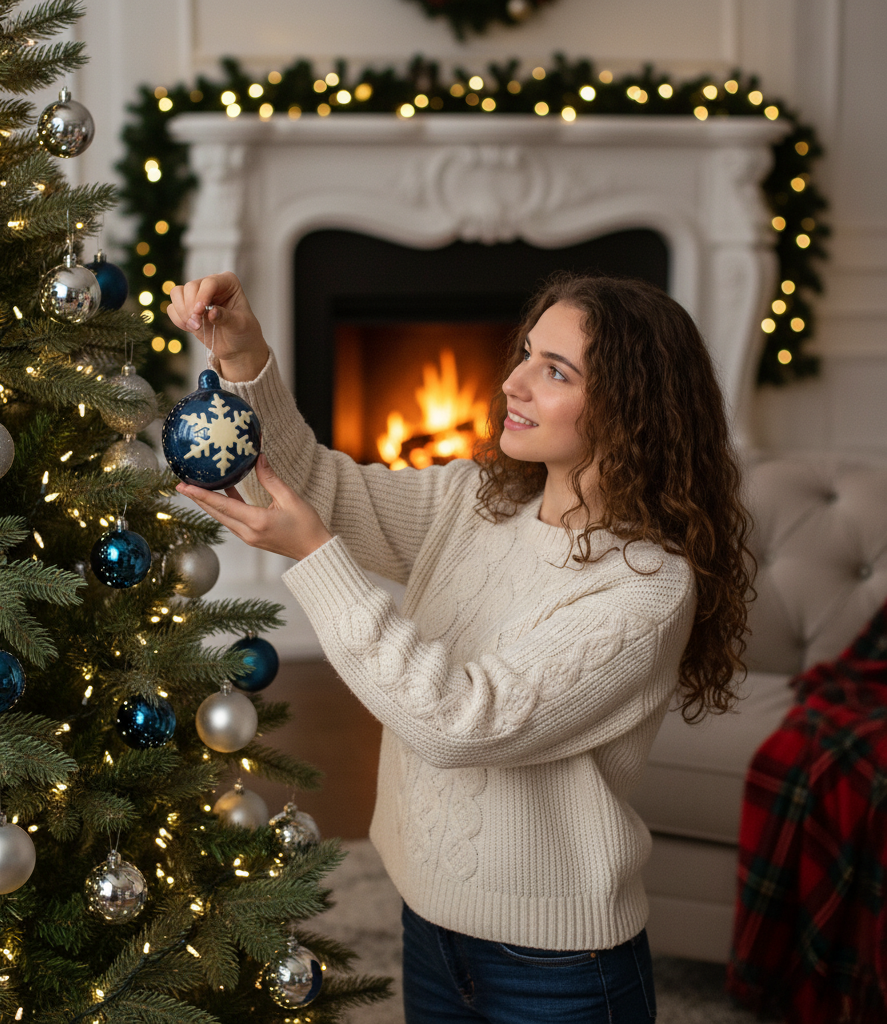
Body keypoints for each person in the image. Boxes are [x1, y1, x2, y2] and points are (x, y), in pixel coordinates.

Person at [167, 270, 755, 1024]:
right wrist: (244, 357)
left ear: (631, 406)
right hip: (431, 920)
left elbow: (461, 722)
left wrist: (315, 557)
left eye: (555, 371)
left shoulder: (645, 587)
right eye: (526, 354)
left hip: (560, 969)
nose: (512, 382)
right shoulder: (477, 502)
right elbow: (315, 485)